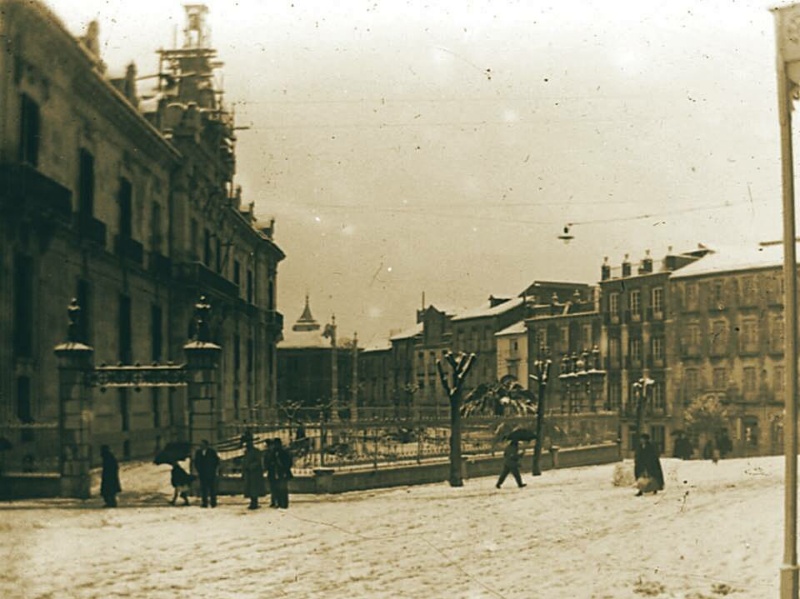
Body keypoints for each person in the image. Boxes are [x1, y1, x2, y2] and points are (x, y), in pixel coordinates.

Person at [266, 438, 294, 509]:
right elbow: (267, 462)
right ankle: (277, 502)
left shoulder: (284, 453)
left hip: (282, 473)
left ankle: (283, 503)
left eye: (277, 444)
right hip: (274, 473)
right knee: (276, 488)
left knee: (283, 489)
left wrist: (284, 467)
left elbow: (289, 462)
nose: (276, 446)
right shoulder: (272, 453)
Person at [241, 433, 265, 510]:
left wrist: (251, 466)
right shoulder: (246, 452)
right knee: (249, 488)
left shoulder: (256, 451)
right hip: (248, 473)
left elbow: (258, 461)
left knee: (254, 489)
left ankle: (255, 502)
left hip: (255, 473)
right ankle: (252, 502)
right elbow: (244, 462)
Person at [194, 439, 220, 508]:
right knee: (203, 488)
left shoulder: (212, 452)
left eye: (203, 444)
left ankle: (213, 502)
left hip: (211, 473)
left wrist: (213, 469)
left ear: (206, 445)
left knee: (212, 488)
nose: (201, 446)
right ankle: (204, 502)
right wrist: (199, 470)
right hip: (202, 473)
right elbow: (196, 462)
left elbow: (216, 461)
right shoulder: (198, 452)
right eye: (201, 445)